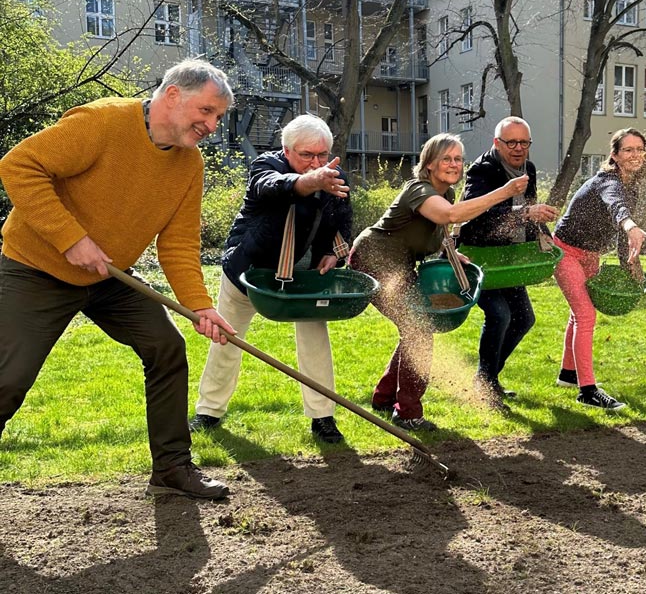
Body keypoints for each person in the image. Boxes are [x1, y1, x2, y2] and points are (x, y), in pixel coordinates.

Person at [0, 58, 236, 499]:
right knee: (8, 378)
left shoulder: (189, 165)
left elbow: (179, 244)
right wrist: (70, 239)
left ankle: (172, 468)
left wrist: (199, 306)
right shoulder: (104, 122)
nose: (212, 125)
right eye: (206, 111)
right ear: (172, 95)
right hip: (37, 268)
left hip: (109, 277)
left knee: (166, 347)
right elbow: (19, 165)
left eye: (218, 117)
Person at [188, 115, 352, 443]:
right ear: (286, 150)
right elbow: (273, 188)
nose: (316, 163)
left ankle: (323, 418)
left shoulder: (334, 177)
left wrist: (336, 252)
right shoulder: (265, 166)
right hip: (249, 271)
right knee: (226, 339)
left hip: (303, 276)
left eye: (322, 155)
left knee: (315, 341)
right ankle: (209, 411)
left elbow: (343, 220)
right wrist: (312, 180)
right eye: (307, 155)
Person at [349, 133, 528, 431]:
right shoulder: (419, 190)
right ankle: (407, 413)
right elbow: (450, 215)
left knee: (414, 329)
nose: (454, 164)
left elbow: (434, 228)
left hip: (400, 266)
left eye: (458, 159)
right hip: (374, 261)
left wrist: (449, 250)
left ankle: (383, 398)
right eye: (446, 158)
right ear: (429, 163)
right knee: (419, 331)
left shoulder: (443, 193)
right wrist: (503, 192)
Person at [457, 117, 560, 411]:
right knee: (500, 315)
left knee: (524, 318)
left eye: (524, 142)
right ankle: (486, 385)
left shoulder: (528, 169)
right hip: (479, 254)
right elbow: (479, 214)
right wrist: (528, 211)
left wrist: (544, 236)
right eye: (511, 142)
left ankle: (486, 378)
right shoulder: (482, 170)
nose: (518, 148)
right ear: (496, 143)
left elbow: (530, 209)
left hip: (510, 257)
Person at [551, 128, 646, 412]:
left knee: (578, 313)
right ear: (615, 155)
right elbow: (616, 207)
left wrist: (630, 264)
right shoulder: (607, 180)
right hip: (565, 251)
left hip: (590, 254)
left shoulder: (633, 185)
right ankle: (588, 391)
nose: (635, 155)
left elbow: (621, 229)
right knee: (585, 314)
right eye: (628, 150)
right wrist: (631, 226)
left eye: (639, 149)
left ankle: (568, 375)